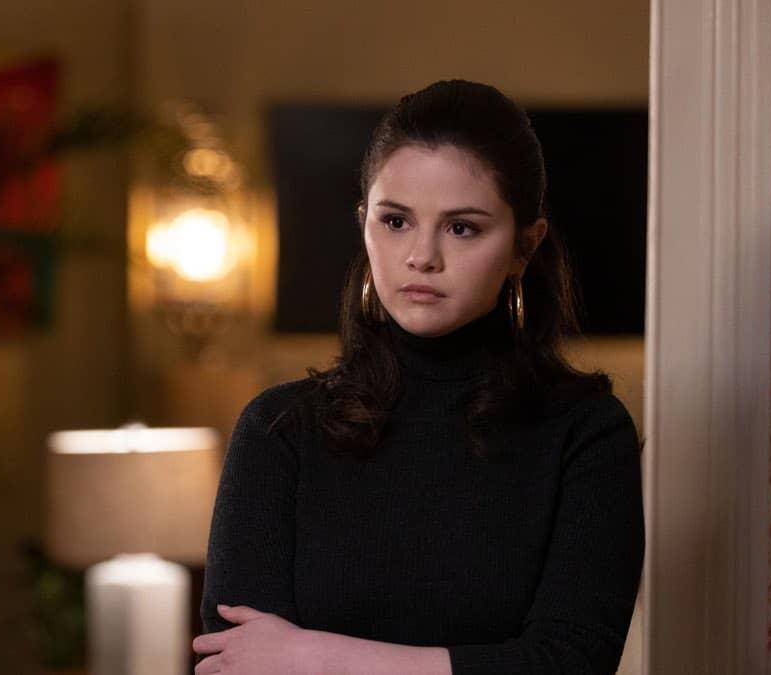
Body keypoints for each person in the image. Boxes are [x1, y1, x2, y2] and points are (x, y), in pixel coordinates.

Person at [191, 79, 644, 674]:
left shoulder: (587, 434)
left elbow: (570, 663)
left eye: (462, 228)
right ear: (364, 223)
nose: (421, 256)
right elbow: (238, 662)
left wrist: (317, 656)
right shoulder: (279, 429)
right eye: (396, 221)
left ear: (524, 247)